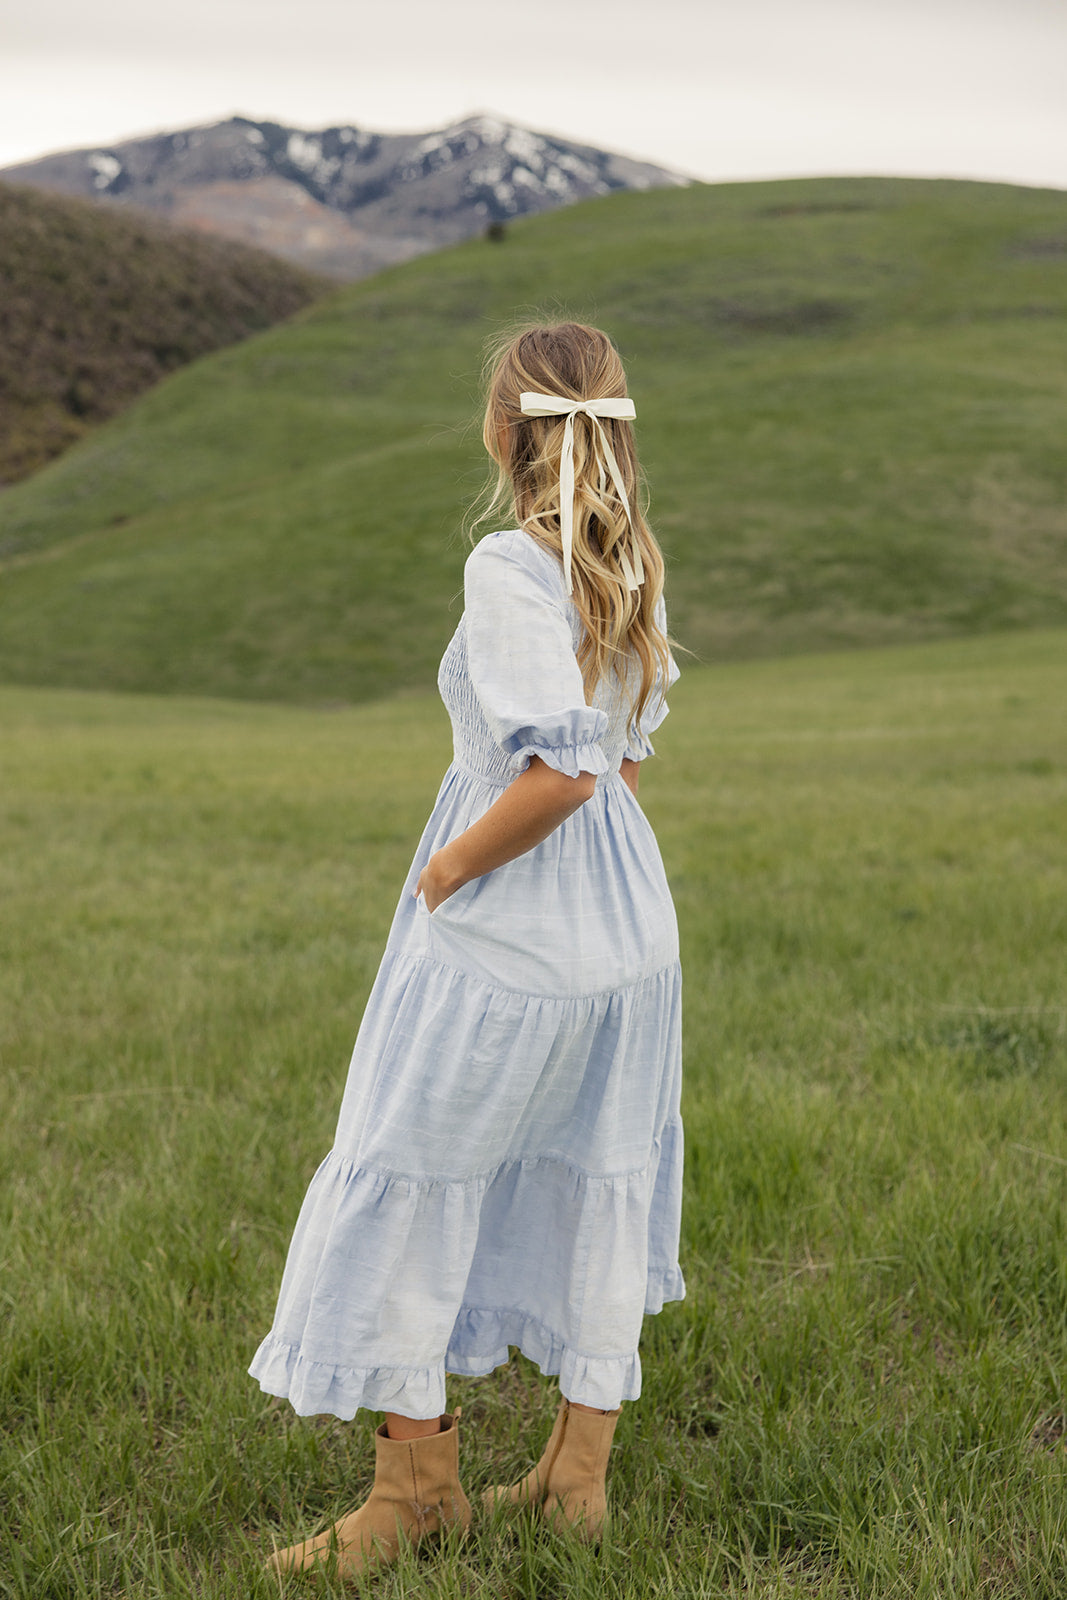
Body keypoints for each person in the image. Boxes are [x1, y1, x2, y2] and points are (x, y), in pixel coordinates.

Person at [250, 320, 685, 1580]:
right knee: (595, 1169)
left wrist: (446, 870)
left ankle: (414, 1491)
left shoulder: (508, 564)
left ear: (505, 430)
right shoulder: (631, 559)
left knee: (405, 1163)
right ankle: (572, 1480)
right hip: (626, 932)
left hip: (506, 925)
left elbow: (558, 771)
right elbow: (627, 763)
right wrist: (602, 912)